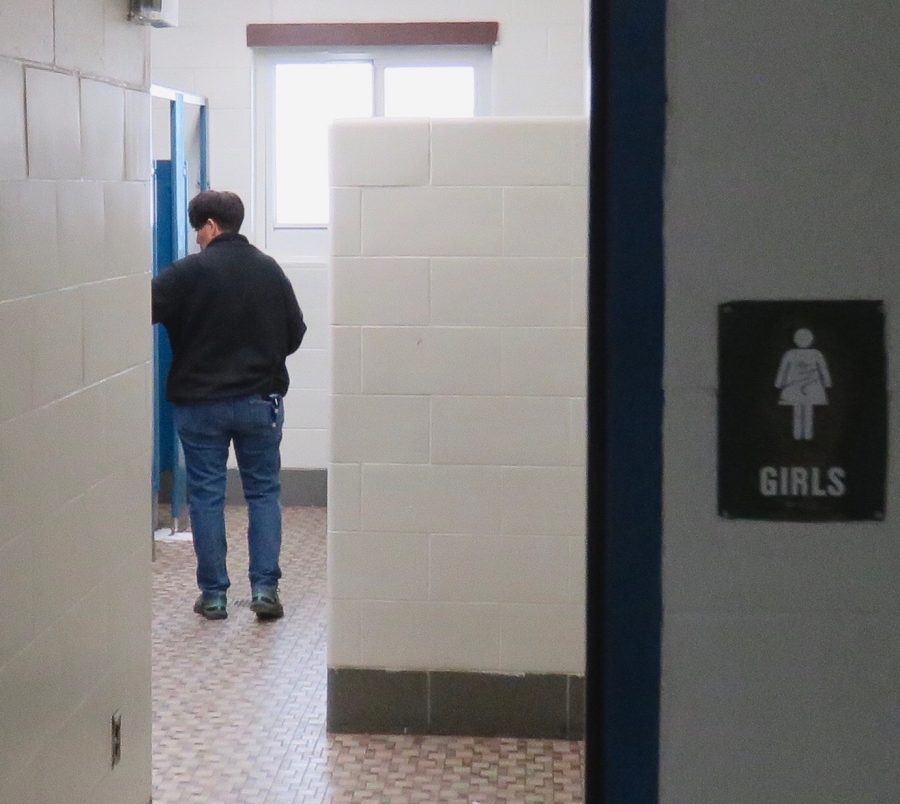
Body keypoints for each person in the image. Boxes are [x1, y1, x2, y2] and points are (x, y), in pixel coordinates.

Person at [152, 190, 306, 621]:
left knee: (206, 496)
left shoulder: (184, 274)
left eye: (197, 231)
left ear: (211, 227)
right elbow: (295, 333)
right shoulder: (269, 271)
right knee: (263, 492)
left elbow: (139, 308)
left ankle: (215, 596)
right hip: (260, 401)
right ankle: (265, 591)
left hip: (200, 404)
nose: (196, 240)